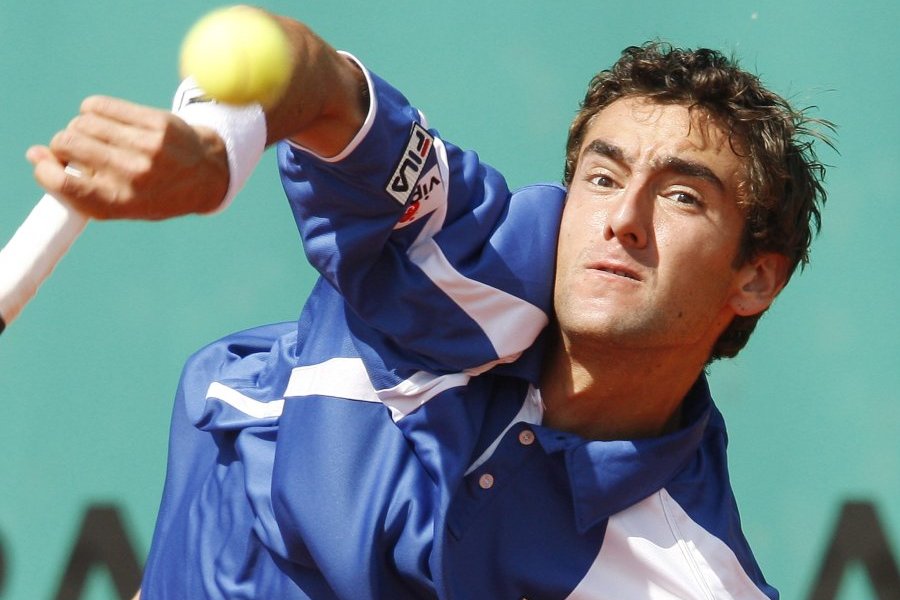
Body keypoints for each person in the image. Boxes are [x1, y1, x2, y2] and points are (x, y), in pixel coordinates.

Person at [28, 8, 829, 599]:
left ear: (756, 278)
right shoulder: (475, 256)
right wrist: (219, 149)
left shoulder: (693, 578)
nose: (622, 217)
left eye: (683, 196)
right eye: (602, 176)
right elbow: (317, 83)